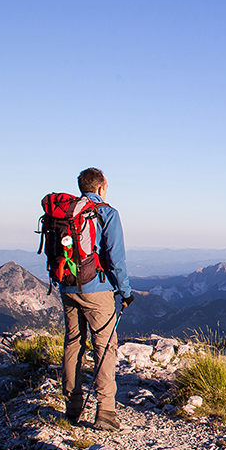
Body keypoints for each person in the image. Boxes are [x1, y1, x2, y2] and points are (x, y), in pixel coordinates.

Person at [61, 167, 134, 431]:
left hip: (67, 286)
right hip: (97, 289)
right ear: (102, 186)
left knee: (73, 345)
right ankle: (105, 411)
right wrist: (125, 291)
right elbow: (116, 258)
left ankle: (72, 408)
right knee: (104, 348)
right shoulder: (106, 212)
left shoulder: (69, 212)